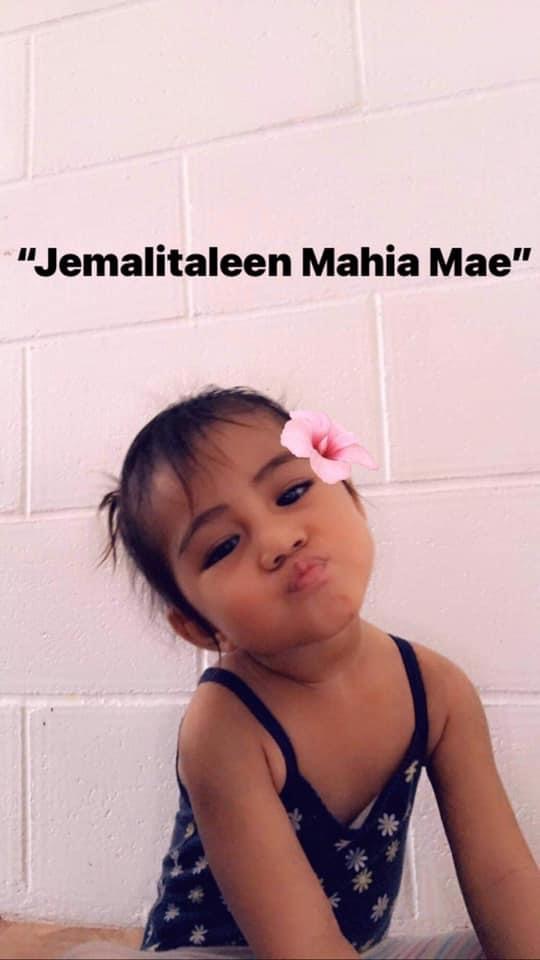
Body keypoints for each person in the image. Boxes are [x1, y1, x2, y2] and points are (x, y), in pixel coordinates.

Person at [68, 384, 538, 960]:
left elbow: (504, 880)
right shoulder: (225, 726)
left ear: (351, 496)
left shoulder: (438, 689)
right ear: (198, 627)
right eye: (223, 546)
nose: (278, 539)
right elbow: (303, 948)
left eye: (292, 492)